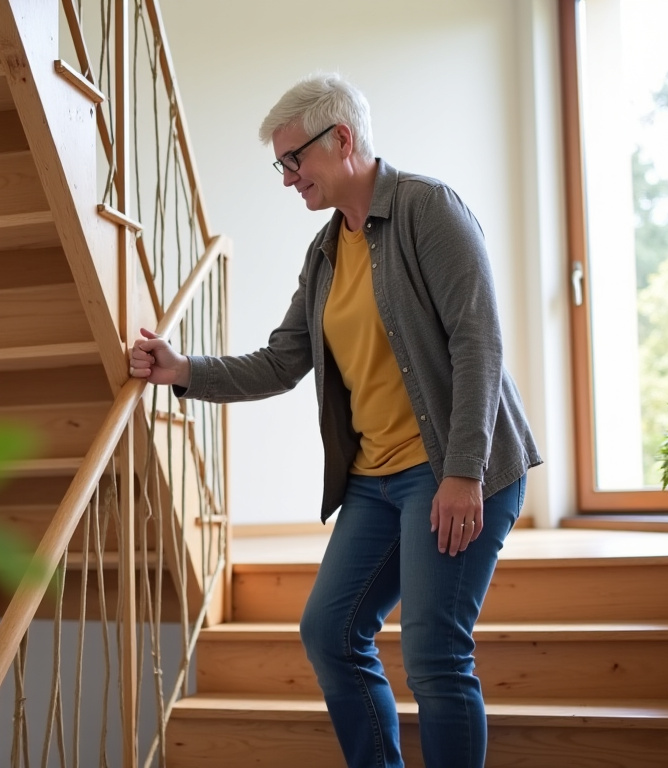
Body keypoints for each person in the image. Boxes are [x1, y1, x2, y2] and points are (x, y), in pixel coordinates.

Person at [129, 73, 541, 768]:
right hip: (376, 480)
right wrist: (185, 370)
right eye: (281, 164)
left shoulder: (426, 209)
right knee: (329, 632)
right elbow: (282, 360)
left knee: (435, 653)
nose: (288, 178)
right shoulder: (325, 252)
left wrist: (464, 472)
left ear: (342, 139)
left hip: (455, 472)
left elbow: (479, 341)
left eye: (295, 160)